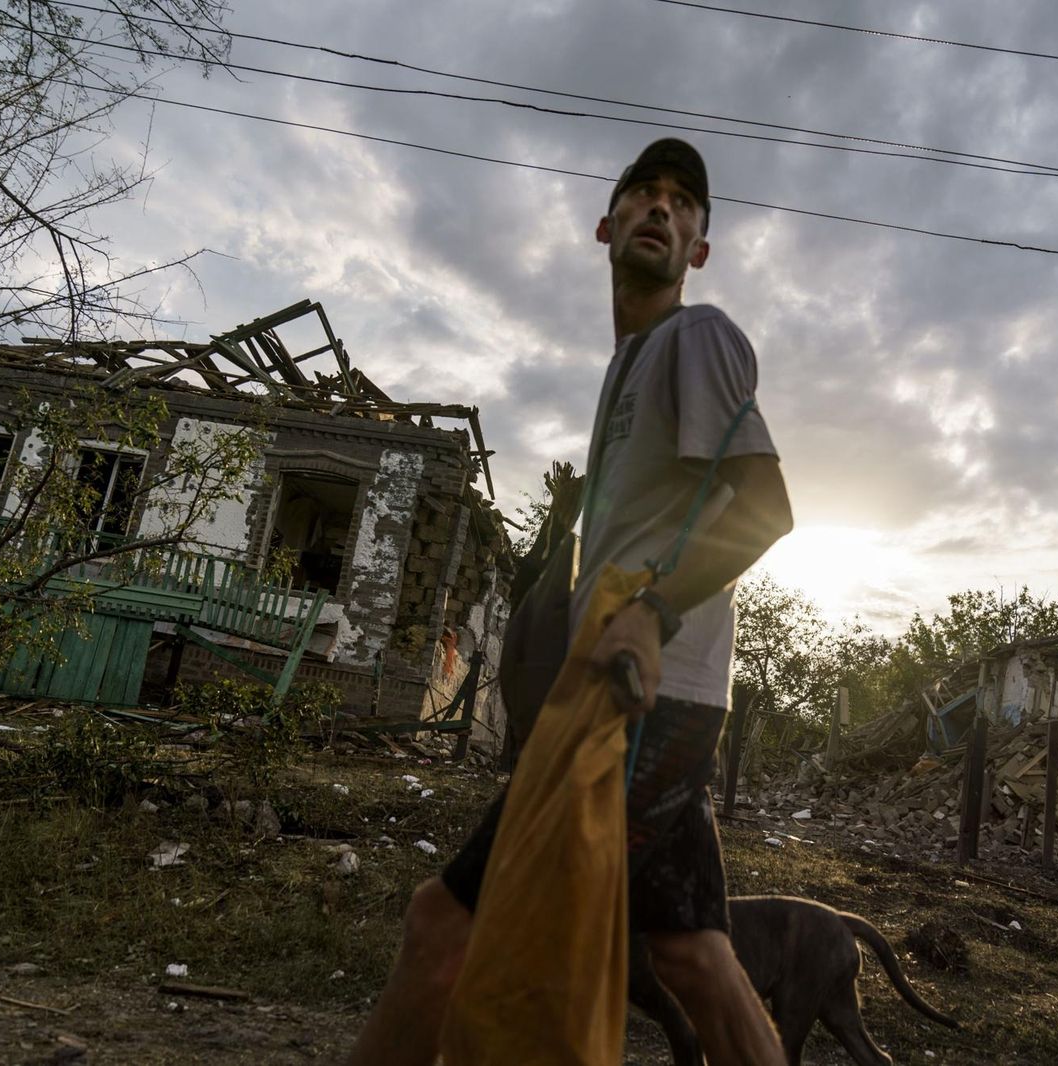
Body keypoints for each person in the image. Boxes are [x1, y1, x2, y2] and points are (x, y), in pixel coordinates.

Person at [348, 138, 793, 1066]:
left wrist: (651, 614)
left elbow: (764, 508)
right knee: (694, 952)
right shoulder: (624, 371)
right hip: (654, 692)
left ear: (700, 250)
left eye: (683, 205)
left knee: (444, 925)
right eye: (645, 194)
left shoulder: (694, 337)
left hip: (641, 692)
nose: (662, 209)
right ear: (607, 224)